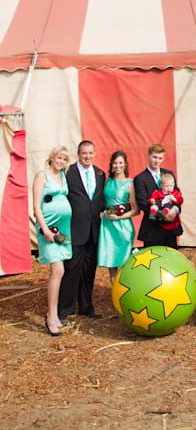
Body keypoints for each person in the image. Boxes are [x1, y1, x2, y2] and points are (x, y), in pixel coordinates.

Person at [58, 140, 106, 321]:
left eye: (90, 153)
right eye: (84, 153)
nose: (88, 157)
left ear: (94, 154)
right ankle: (65, 310)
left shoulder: (100, 174)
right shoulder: (68, 172)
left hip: (94, 232)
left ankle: (86, 307)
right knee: (71, 271)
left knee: (88, 272)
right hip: (74, 230)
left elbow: (101, 201)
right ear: (78, 154)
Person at [33, 146, 73, 336]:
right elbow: (36, 206)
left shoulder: (63, 176)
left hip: (63, 230)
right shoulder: (42, 176)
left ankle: (54, 314)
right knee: (58, 270)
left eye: (64, 159)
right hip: (49, 229)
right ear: (52, 158)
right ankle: (51, 315)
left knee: (60, 271)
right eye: (59, 158)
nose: (61, 162)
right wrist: (45, 229)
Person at [97, 150, 139, 283]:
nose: (117, 166)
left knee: (124, 264)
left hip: (123, 227)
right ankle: (116, 295)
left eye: (120, 163)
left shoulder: (130, 183)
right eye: (115, 163)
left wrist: (119, 217)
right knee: (111, 264)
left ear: (125, 165)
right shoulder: (107, 181)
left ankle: (127, 294)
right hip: (107, 226)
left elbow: (136, 210)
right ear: (111, 164)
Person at [134, 144, 182, 249]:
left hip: (170, 228)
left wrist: (174, 211)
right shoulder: (140, 178)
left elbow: (177, 194)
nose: (157, 161)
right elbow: (142, 203)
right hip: (152, 229)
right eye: (154, 157)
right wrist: (163, 216)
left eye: (160, 158)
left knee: (171, 260)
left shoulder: (168, 174)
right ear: (148, 156)